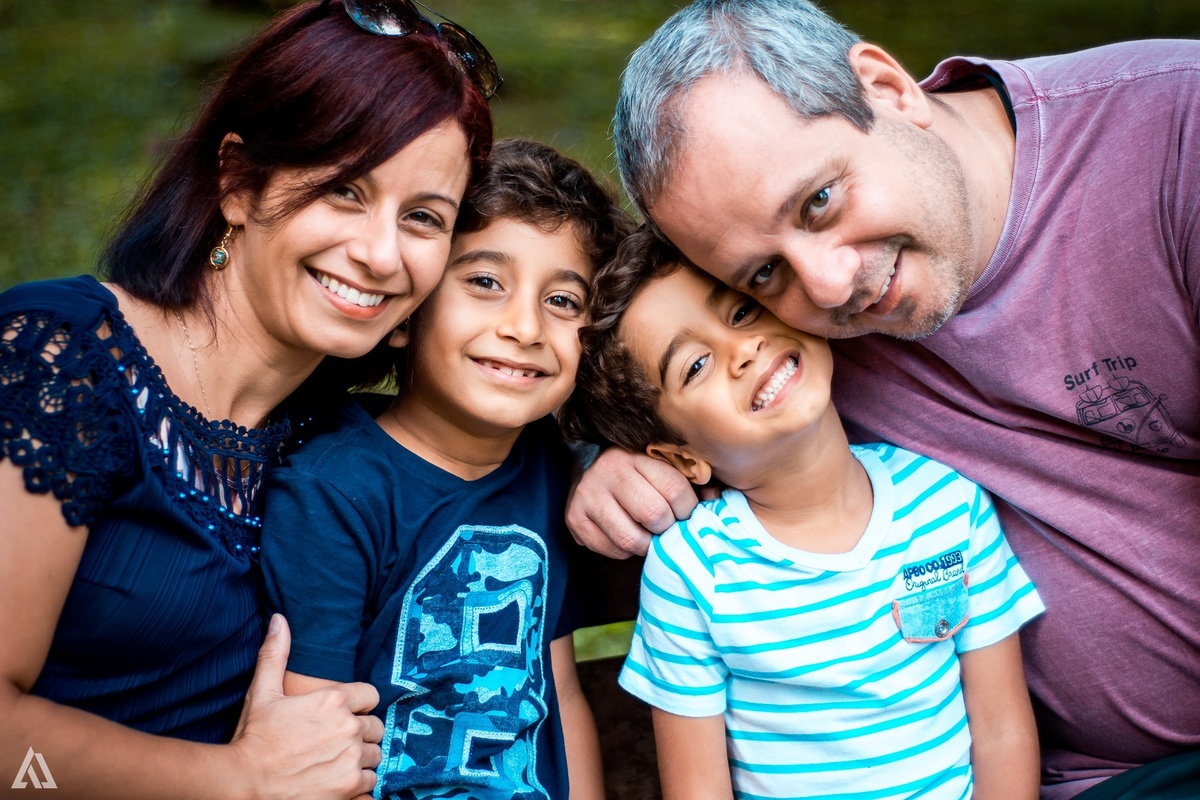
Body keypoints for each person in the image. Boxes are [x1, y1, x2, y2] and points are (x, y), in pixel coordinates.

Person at [566, 0, 1200, 797]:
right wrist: (597, 461)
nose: (830, 286)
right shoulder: (803, 348)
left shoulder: (1174, 139)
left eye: (819, 202)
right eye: (763, 275)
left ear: (888, 88)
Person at [0, 1, 494, 797]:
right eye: (344, 191)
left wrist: (611, 468)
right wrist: (239, 779)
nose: (380, 254)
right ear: (237, 182)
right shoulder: (63, 359)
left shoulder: (335, 444)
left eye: (423, 218)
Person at [560, 228, 1044, 799]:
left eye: (742, 312)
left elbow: (1002, 730)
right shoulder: (694, 569)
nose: (744, 349)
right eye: (695, 365)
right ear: (683, 459)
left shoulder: (947, 505)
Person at [259, 138, 634, 800]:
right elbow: (310, 739)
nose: (525, 327)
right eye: (486, 283)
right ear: (407, 312)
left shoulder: (549, 470)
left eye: (563, 301)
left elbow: (557, 690)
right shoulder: (334, 491)